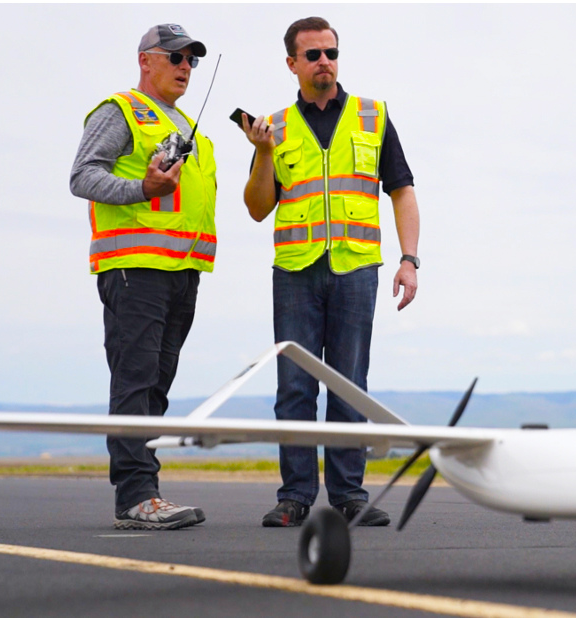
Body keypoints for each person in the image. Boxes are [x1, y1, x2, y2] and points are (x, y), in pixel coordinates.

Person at [242, 16, 420, 527]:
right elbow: (257, 208)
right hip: (295, 272)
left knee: (350, 385)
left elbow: (402, 190)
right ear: (292, 63)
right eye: (314, 54)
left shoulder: (373, 115)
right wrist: (263, 153)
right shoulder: (273, 126)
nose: (325, 62)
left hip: (355, 269)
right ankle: (295, 496)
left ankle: (349, 496)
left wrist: (409, 259)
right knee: (294, 386)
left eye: (332, 53)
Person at [69, 24, 218, 530]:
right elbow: (82, 175)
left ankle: (144, 492)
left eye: (191, 59)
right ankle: (135, 497)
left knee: (156, 384)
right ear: (145, 60)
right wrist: (142, 187)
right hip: (135, 266)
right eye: (175, 57)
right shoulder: (121, 111)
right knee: (135, 380)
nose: (185, 66)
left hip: (182, 271)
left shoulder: (188, 126)